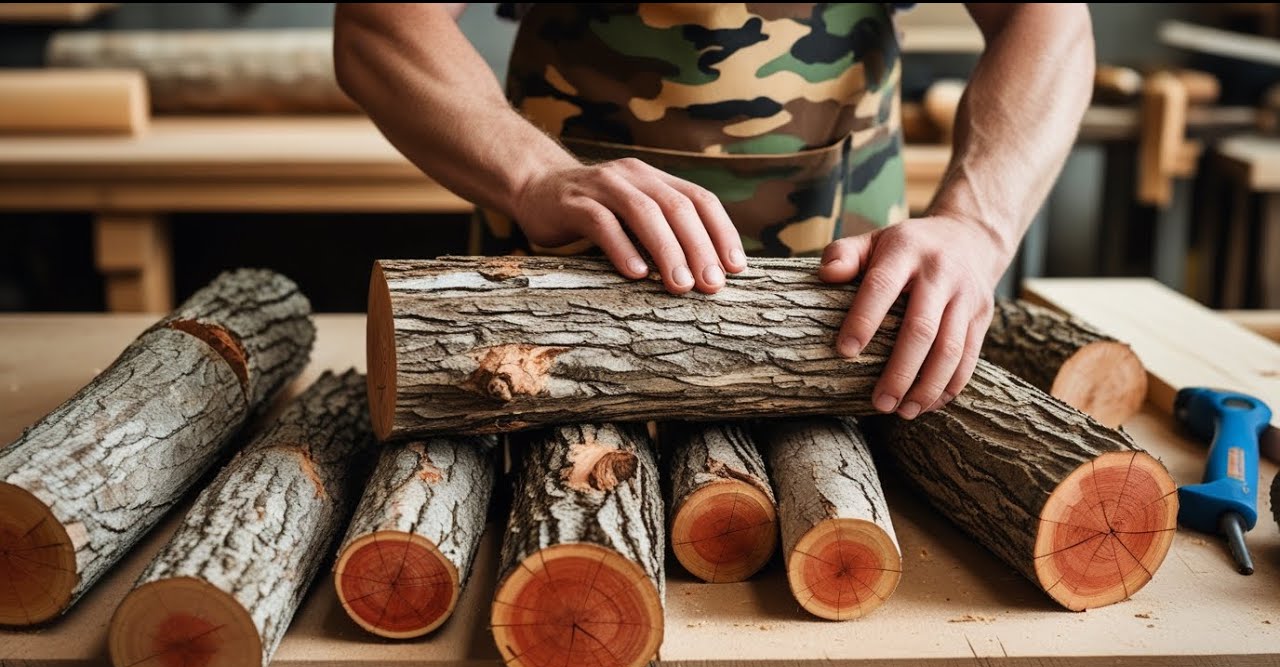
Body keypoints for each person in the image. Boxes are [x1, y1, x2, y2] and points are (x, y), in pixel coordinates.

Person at [334, 3, 1094, 419]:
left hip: (848, 319)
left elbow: (1052, 17)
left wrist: (978, 224)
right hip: (553, 314)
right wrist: (534, 175)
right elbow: (381, 23)